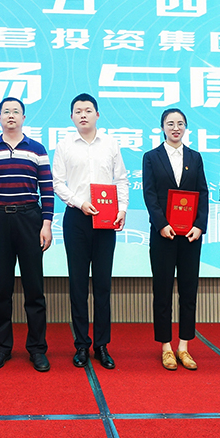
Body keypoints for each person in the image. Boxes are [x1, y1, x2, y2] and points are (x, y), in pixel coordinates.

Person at [0, 97, 54, 372]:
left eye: (16, 111)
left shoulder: (37, 149)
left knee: (34, 289)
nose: (11, 115)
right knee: (2, 289)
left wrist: (46, 224)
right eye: (6, 111)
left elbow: (47, 188)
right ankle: (2, 347)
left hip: (30, 219)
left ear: (23, 117)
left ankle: (37, 349)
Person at [52, 93, 129, 370]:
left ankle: (102, 345)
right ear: (72, 117)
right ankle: (81, 345)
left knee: (102, 285)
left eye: (88, 110)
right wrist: (78, 202)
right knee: (78, 284)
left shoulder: (110, 144)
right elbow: (58, 183)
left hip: (106, 220)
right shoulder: (64, 146)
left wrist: (122, 209)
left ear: (97, 114)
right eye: (78, 111)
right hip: (77, 218)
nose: (83, 114)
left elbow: (121, 179)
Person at [142, 108, 209, 371]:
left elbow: (202, 193)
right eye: (170, 123)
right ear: (162, 127)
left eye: (180, 123)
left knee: (189, 291)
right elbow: (149, 194)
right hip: (163, 234)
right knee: (163, 290)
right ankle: (166, 347)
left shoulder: (195, 157)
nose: (175, 128)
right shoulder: (151, 157)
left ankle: (184, 346)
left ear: (186, 127)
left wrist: (200, 226)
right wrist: (162, 225)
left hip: (190, 236)